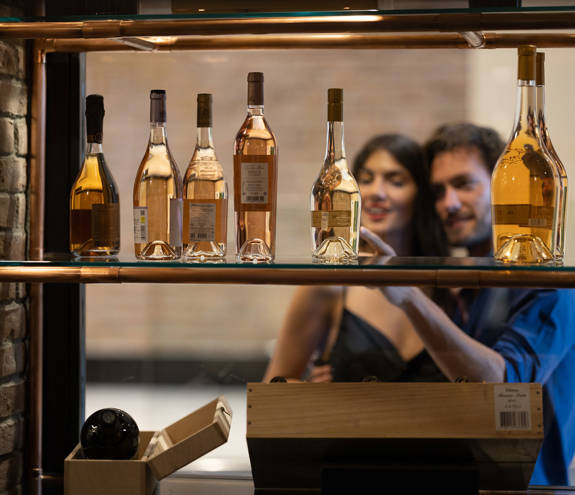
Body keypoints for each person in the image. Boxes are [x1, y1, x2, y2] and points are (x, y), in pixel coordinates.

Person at [360, 122, 575, 486]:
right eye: (438, 191)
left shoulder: (548, 282)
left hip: (528, 490)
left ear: (501, 184)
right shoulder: (463, 286)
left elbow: (503, 385)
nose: (450, 203)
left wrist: (409, 295)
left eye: (464, 184)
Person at [263, 133, 448, 385]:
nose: (375, 192)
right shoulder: (331, 284)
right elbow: (271, 387)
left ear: (421, 193)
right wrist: (307, 391)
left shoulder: (449, 282)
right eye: (366, 179)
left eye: (395, 181)